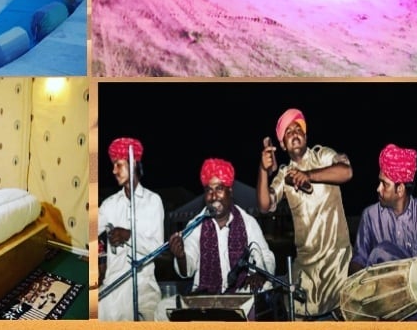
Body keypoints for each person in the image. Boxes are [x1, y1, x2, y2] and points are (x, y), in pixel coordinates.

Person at [257, 108, 352, 318]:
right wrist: (263, 170)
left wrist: (308, 175)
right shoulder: (283, 175)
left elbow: (346, 172)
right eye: (287, 132)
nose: (293, 133)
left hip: (338, 264)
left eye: (297, 128)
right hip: (306, 270)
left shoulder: (323, 155)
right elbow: (265, 204)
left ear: (306, 136)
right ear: (282, 144)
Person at [161, 158, 275, 319]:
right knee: (162, 308)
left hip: (239, 295)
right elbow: (188, 269)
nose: (214, 196)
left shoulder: (247, 222)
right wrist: (180, 256)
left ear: (230, 191)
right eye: (209, 190)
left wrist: (261, 274)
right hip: (204, 297)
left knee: (263, 289)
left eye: (219, 189)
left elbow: (267, 256)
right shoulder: (195, 225)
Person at [350, 144, 417, 321]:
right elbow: (359, 259)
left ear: (400, 189)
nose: (378, 188)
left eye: (384, 184)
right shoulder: (370, 216)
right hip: (383, 311)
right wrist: (361, 284)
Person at [98, 137, 165, 321]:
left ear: (133, 163)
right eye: (113, 165)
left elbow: (158, 249)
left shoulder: (153, 201)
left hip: (144, 287)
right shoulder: (109, 205)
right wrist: (99, 251)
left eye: (118, 165)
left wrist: (129, 236)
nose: (113, 170)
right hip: (114, 286)